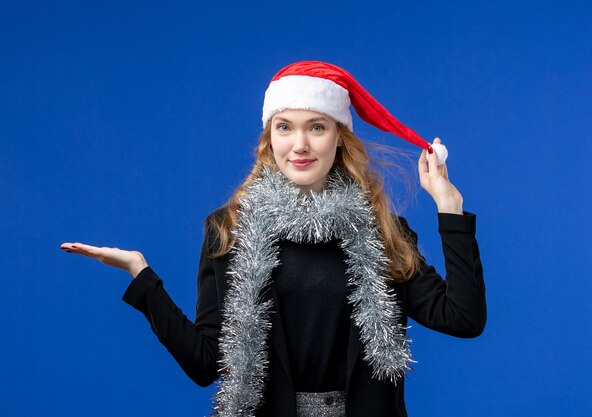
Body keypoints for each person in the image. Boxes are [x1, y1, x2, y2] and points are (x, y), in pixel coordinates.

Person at [60, 61, 487, 417]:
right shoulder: (229, 230)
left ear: (339, 138)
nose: (299, 145)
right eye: (285, 127)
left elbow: (463, 319)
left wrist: (449, 208)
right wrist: (142, 276)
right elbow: (208, 363)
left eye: (316, 127)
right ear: (269, 140)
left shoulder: (382, 231)